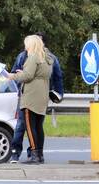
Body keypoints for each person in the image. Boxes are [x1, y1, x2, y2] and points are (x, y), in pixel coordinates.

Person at [9, 32, 63, 163]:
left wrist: (14, 76)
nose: (25, 47)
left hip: (31, 96)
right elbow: (56, 76)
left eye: (26, 44)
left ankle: (33, 155)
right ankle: (40, 154)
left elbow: (27, 76)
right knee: (39, 127)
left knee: (29, 127)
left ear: (31, 44)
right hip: (42, 95)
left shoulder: (33, 57)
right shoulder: (48, 58)